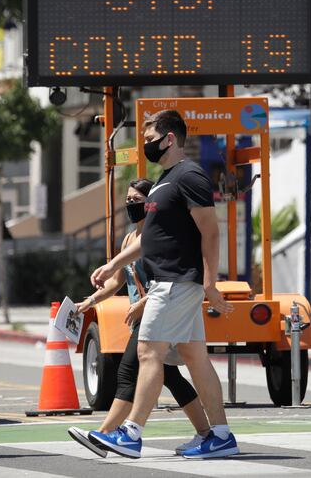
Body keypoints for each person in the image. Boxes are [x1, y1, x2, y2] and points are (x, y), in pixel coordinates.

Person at [87, 109, 238, 459]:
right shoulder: (165, 181)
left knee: (148, 353)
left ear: (170, 138)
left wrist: (211, 283)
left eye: (150, 139)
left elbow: (211, 232)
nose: (146, 146)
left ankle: (131, 434)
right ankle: (221, 436)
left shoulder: (190, 176)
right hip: (173, 283)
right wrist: (113, 264)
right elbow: (151, 238)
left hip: (175, 282)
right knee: (195, 358)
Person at [67, 178, 211, 457]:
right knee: (170, 375)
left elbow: (168, 280)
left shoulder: (160, 237)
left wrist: (143, 304)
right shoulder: (130, 239)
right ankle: (205, 433)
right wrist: (90, 301)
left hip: (158, 311)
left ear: (151, 204)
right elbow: (117, 281)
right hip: (144, 316)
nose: (131, 204)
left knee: (128, 371)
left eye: (137, 200)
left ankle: (106, 433)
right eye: (128, 200)